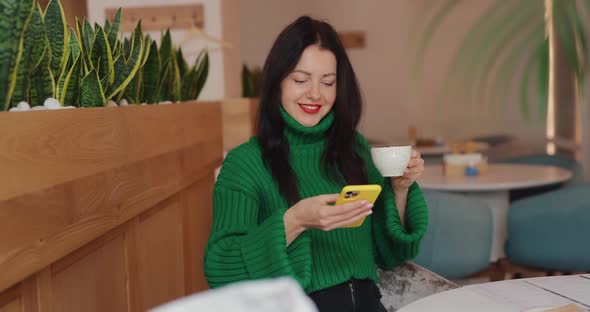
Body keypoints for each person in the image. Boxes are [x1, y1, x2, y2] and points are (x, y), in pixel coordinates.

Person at [204, 15, 428, 312]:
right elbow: (219, 267)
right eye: (300, 80)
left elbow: (392, 254)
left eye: (328, 82)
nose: (315, 94)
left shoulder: (355, 150)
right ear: (277, 83)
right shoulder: (245, 163)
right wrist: (294, 221)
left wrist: (400, 189)